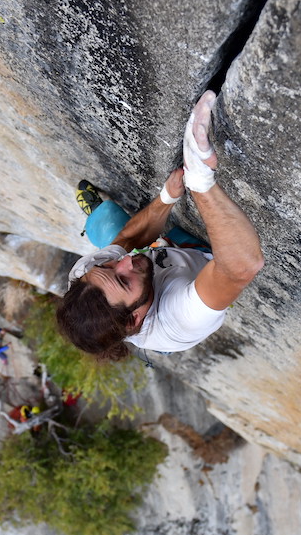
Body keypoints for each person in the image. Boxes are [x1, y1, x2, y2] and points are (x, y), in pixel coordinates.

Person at [56, 91, 265, 359]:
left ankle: (98, 216)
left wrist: (168, 196)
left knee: (110, 231)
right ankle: (101, 221)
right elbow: (241, 266)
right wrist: (200, 180)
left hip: (163, 264)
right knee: (117, 239)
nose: (125, 262)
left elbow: (127, 244)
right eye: (122, 280)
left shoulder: (86, 277)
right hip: (199, 266)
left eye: (107, 266)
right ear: (133, 320)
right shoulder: (179, 318)